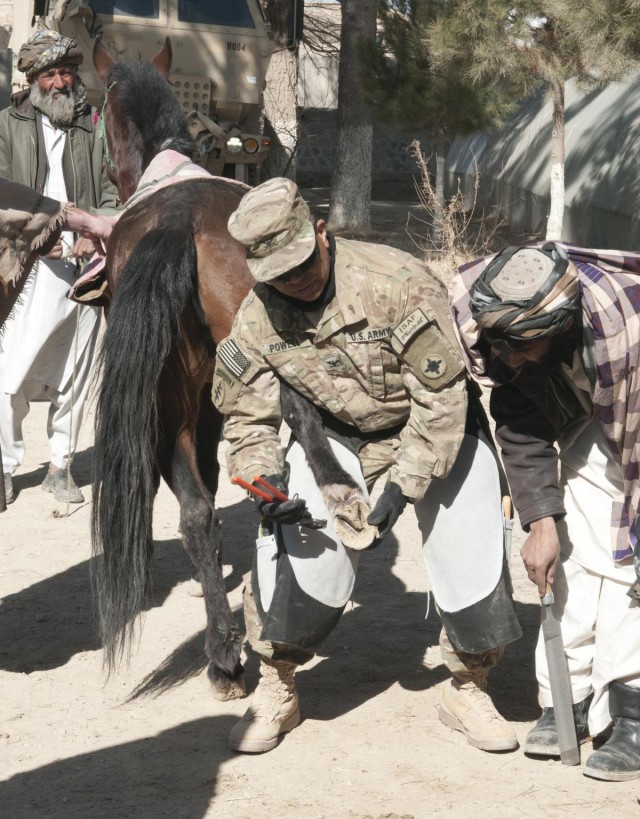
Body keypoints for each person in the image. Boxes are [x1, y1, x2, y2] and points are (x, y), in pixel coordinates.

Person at [212, 177, 522, 754]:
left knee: (471, 543)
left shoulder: (397, 281)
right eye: (277, 272)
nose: (295, 279)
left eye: (302, 262)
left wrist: (403, 488)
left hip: (432, 427)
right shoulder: (257, 318)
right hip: (338, 438)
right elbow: (246, 420)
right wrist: (265, 483)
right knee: (298, 549)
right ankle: (278, 686)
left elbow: (443, 399)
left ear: (321, 232)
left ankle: (468, 686)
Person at [450, 241, 640, 781]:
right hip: (596, 415)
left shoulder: (626, 335)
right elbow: (520, 419)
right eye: (501, 346)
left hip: (633, 411)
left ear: (562, 327)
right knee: (572, 554)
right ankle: (568, 700)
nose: (508, 359)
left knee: (629, 566)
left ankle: (632, 713)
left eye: (523, 347)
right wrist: (540, 521)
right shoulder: (511, 339)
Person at [0, 29, 117, 505]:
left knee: (75, 371)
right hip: (26, 265)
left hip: (87, 265)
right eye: (49, 74)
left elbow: (111, 187)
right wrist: (39, 238)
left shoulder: (92, 123)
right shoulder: (7, 124)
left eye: (66, 71)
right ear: (32, 80)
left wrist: (98, 230)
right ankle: (6, 467)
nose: (59, 82)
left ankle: (60, 466)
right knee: (9, 376)